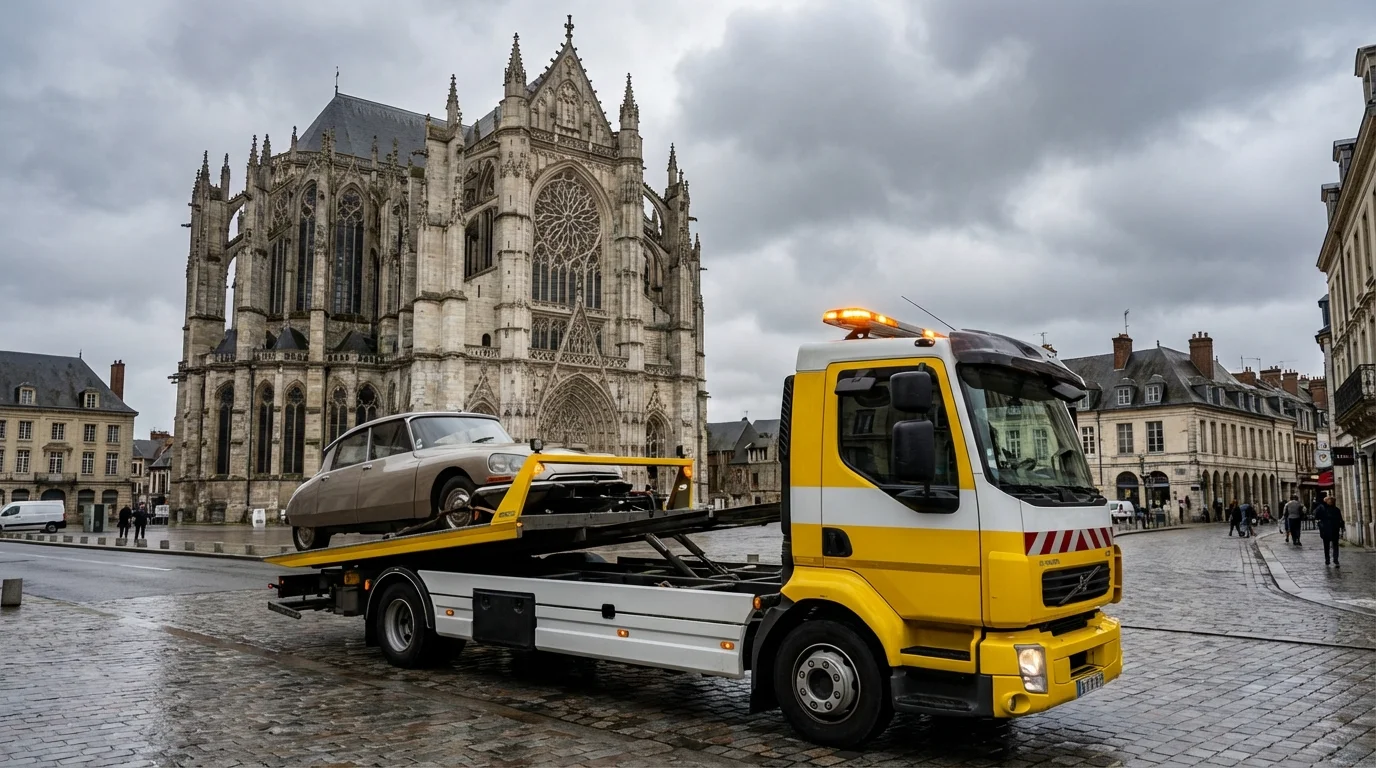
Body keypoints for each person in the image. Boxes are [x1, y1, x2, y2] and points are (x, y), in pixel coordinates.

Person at [1314, 495, 1345, 567]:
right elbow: (1340, 520)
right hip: (1334, 529)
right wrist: (1342, 527)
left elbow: (1316, 516)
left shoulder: (1322, 509)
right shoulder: (1336, 509)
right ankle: (1335, 559)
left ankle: (1328, 559)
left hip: (1326, 529)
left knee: (1327, 545)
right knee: (1335, 545)